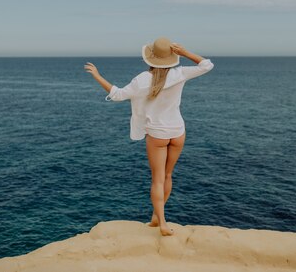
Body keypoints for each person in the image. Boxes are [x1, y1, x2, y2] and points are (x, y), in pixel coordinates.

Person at [84, 37, 214, 236]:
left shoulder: (142, 80)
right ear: (172, 57)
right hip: (178, 131)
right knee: (168, 175)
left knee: (157, 180)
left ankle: (161, 222)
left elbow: (117, 95)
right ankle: (156, 218)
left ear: (150, 59)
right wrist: (186, 53)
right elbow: (207, 65)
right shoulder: (180, 73)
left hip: (157, 135)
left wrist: (97, 75)